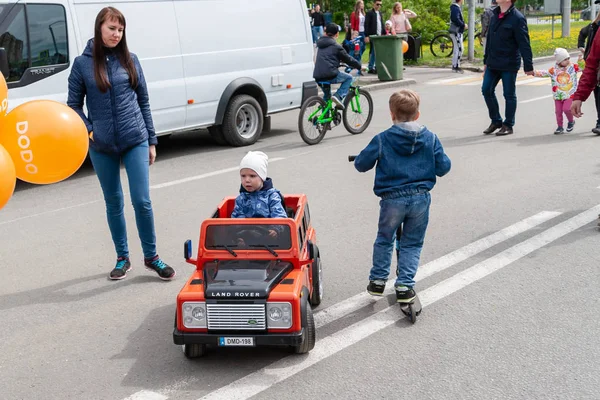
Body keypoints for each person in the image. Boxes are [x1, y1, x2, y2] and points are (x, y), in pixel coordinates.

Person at [67, 7, 175, 281]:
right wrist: (91, 131)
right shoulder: (82, 64)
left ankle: (152, 258)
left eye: (120, 29)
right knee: (113, 202)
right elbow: (73, 106)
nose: (116, 34)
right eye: (112, 28)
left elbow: (144, 101)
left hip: (134, 138)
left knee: (142, 201)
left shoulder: (131, 60)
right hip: (101, 146)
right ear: (99, 29)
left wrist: (151, 140)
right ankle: (122, 258)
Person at [352, 89, 452, 303]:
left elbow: (361, 165)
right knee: (412, 242)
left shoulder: (382, 139)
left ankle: (378, 281)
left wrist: (364, 157)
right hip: (420, 198)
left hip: (392, 200)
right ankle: (405, 285)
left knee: (385, 238)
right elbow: (444, 167)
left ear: (391, 114)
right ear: (417, 115)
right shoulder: (430, 138)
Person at [481, 0, 534, 136]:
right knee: (486, 90)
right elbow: (490, 41)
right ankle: (496, 121)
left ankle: (508, 124)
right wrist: (486, 61)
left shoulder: (517, 18)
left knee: (509, 94)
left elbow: (524, 43)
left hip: (508, 63)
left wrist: (528, 65)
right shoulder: (494, 15)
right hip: (493, 62)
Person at [231, 151, 287, 239]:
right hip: (248, 233)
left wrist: (275, 229)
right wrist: (240, 229)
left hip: (268, 235)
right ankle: (241, 242)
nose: (247, 180)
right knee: (236, 237)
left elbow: (279, 214)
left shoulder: (271, 196)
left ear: (262, 177)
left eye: (252, 176)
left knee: (271, 237)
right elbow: (238, 217)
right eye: (243, 176)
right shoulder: (241, 199)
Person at [313, 23, 362, 108]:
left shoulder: (320, 44)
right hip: (330, 74)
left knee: (327, 98)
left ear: (325, 32)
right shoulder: (336, 46)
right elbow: (348, 59)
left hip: (318, 75)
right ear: (337, 34)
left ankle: (324, 117)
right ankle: (338, 96)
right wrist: (360, 66)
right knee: (349, 78)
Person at [534, 48, 579, 135]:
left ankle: (571, 121)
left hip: (570, 94)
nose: (567, 61)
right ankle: (560, 126)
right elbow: (544, 73)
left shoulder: (573, 67)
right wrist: (533, 72)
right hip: (558, 95)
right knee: (558, 111)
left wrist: (581, 58)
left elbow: (582, 67)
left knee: (567, 109)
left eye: (568, 58)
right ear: (559, 61)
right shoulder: (553, 70)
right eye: (564, 59)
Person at [576, 3, 600, 134]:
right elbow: (591, 65)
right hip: (596, 70)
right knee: (597, 95)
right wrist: (579, 96)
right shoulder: (594, 26)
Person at [364, 0, 385, 74]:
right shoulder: (369, 13)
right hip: (373, 35)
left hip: (379, 34)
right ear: (374, 4)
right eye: (377, 4)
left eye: (380, 5)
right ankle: (371, 66)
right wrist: (366, 35)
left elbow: (381, 23)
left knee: (378, 51)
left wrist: (384, 33)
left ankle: (376, 66)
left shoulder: (379, 13)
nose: (379, 6)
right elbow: (366, 24)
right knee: (374, 51)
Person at [449, 0, 467, 74]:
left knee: (457, 48)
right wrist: (463, 25)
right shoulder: (455, 8)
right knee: (459, 49)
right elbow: (455, 19)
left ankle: (455, 65)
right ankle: (456, 66)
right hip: (456, 31)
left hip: (457, 31)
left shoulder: (455, 7)